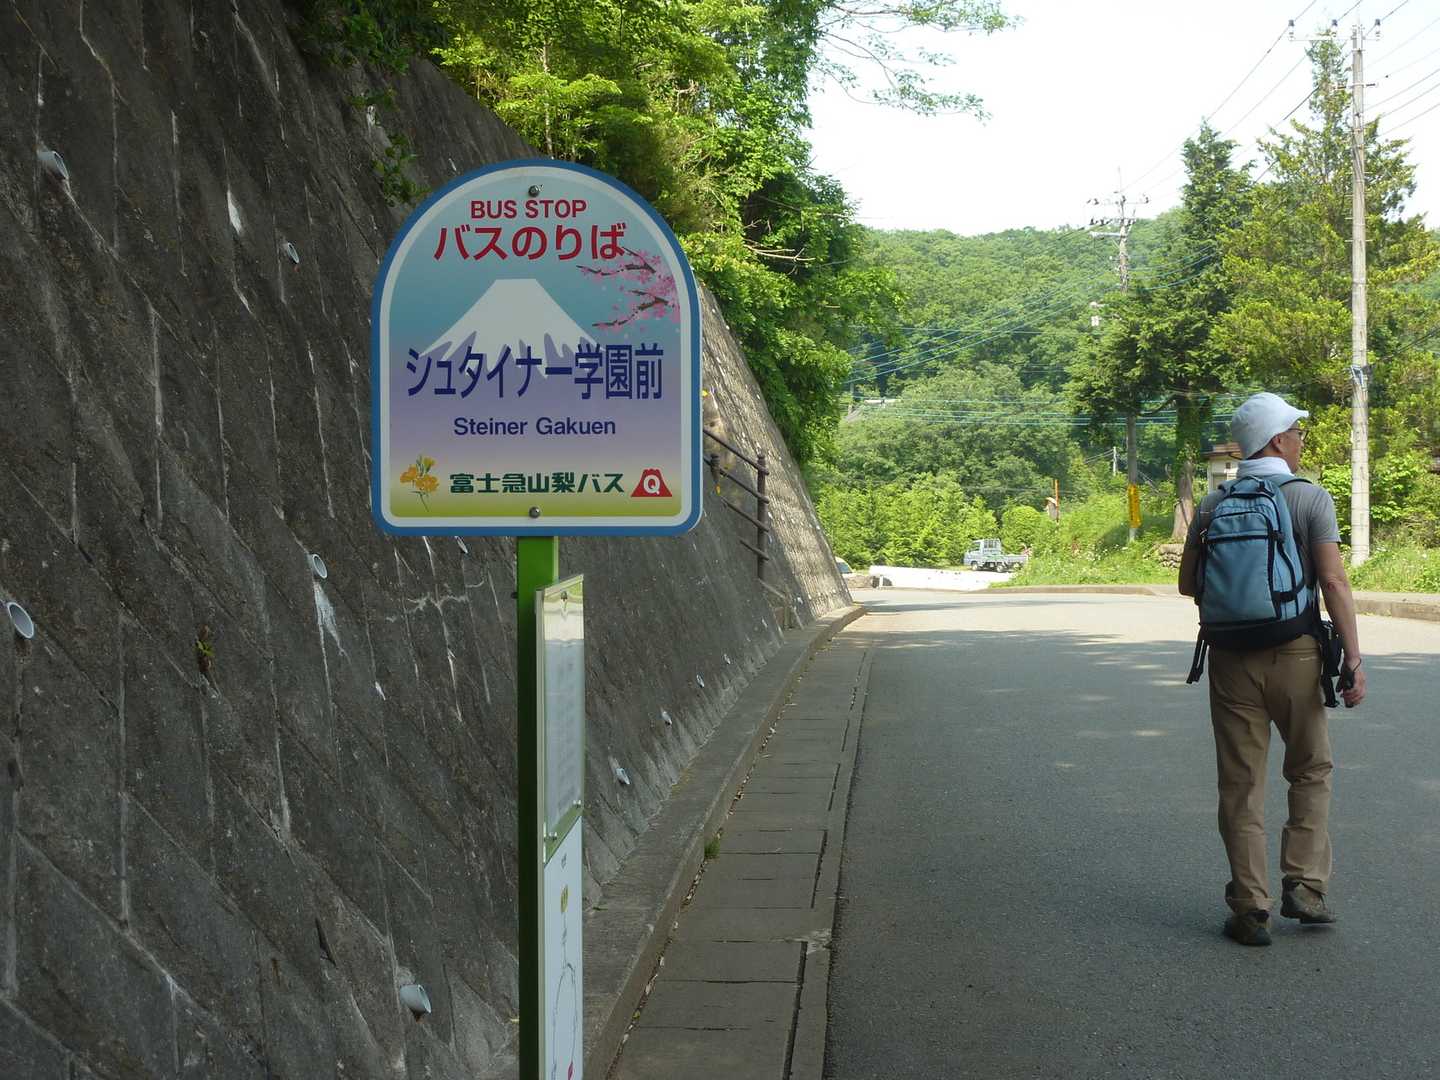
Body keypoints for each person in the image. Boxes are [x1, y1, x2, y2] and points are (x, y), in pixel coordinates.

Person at [1179, 392, 1367, 947]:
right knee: (1309, 769)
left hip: (1230, 660)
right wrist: (1354, 658)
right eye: (1297, 433)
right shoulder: (1309, 497)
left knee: (1241, 783)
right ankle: (1305, 886)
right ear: (1278, 441)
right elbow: (1332, 581)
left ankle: (1250, 908)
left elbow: (1188, 585)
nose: (1301, 441)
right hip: (1297, 654)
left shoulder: (1213, 505)